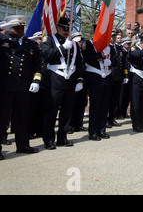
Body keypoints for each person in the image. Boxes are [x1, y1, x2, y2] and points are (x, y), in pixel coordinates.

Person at [0, 15, 42, 160]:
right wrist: (2, 30)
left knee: (22, 118)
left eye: (22, 27)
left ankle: (23, 144)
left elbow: (37, 65)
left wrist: (36, 81)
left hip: (23, 87)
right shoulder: (3, 41)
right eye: (17, 28)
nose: (20, 30)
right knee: (2, 119)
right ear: (10, 29)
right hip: (5, 87)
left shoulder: (30, 44)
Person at [41, 17, 84, 149]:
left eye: (68, 28)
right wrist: (62, 49)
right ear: (57, 27)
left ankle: (62, 137)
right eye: (64, 28)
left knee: (67, 111)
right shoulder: (48, 39)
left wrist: (80, 79)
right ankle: (48, 139)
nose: (66, 31)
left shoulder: (74, 44)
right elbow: (47, 55)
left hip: (70, 80)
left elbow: (79, 64)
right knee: (51, 111)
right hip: (55, 80)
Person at [82, 38, 114, 141]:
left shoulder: (109, 46)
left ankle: (102, 130)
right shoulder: (87, 44)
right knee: (95, 106)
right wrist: (101, 55)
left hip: (107, 78)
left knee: (104, 106)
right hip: (95, 78)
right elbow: (87, 58)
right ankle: (93, 132)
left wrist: (111, 62)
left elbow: (117, 60)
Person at [118, 37, 132, 119]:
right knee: (121, 96)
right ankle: (119, 113)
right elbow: (124, 66)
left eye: (130, 44)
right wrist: (125, 75)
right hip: (123, 76)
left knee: (127, 96)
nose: (129, 45)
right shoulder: (122, 52)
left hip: (129, 76)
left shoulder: (129, 52)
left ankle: (124, 111)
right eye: (128, 44)